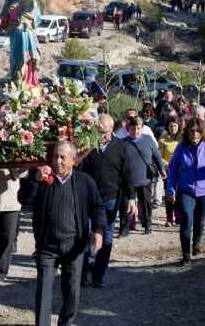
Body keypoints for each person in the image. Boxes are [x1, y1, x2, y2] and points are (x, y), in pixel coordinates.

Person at [18, 140, 105, 326]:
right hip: (47, 246)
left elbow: (98, 207)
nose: (57, 161)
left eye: (63, 157)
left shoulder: (84, 181)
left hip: (74, 244)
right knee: (44, 290)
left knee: (72, 290)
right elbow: (23, 198)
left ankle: (66, 322)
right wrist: (35, 180)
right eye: (55, 156)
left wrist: (98, 231)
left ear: (74, 160)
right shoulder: (41, 178)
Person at [80, 114, 135, 288]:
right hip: (89, 199)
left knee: (107, 236)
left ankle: (98, 276)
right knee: (85, 236)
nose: (103, 135)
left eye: (106, 132)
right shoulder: (88, 145)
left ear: (112, 130)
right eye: (100, 131)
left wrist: (131, 198)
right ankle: (81, 276)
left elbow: (127, 175)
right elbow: (78, 168)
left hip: (110, 199)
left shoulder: (121, 147)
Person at [166, 118, 205, 265]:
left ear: (202, 131)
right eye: (192, 130)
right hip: (186, 190)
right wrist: (170, 189)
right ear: (188, 131)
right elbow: (173, 169)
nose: (195, 134)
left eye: (198, 131)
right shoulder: (181, 147)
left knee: (200, 221)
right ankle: (185, 255)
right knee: (186, 220)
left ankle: (196, 243)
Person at [0, 0, 41, 86]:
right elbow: (3, 16)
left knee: (27, 57)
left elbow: (36, 15)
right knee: (15, 59)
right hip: (14, 32)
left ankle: (27, 82)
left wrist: (23, 15)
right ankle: (16, 81)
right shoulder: (9, 0)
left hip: (26, 32)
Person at [122, 116, 167, 234]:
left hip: (144, 177)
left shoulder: (148, 140)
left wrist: (161, 169)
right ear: (128, 128)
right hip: (128, 179)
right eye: (133, 128)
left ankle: (147, 224)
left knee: (146, 202)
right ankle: (125, 227)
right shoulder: (123, 143)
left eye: (138, 128)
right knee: (126, 203)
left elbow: (156, 155)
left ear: (142, 128)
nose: (136, 131)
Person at [158, 116, 182, 227]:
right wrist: (166, 164)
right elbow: (158, 155)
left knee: (179, 193)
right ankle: (169, 217)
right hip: (168, 169)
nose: (173, 128)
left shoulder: (183, 138)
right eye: (171, 126)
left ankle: (178, 216)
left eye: (175, 126)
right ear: (167, 126)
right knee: (169, 193)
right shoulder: (163, 139)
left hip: (182, 169)